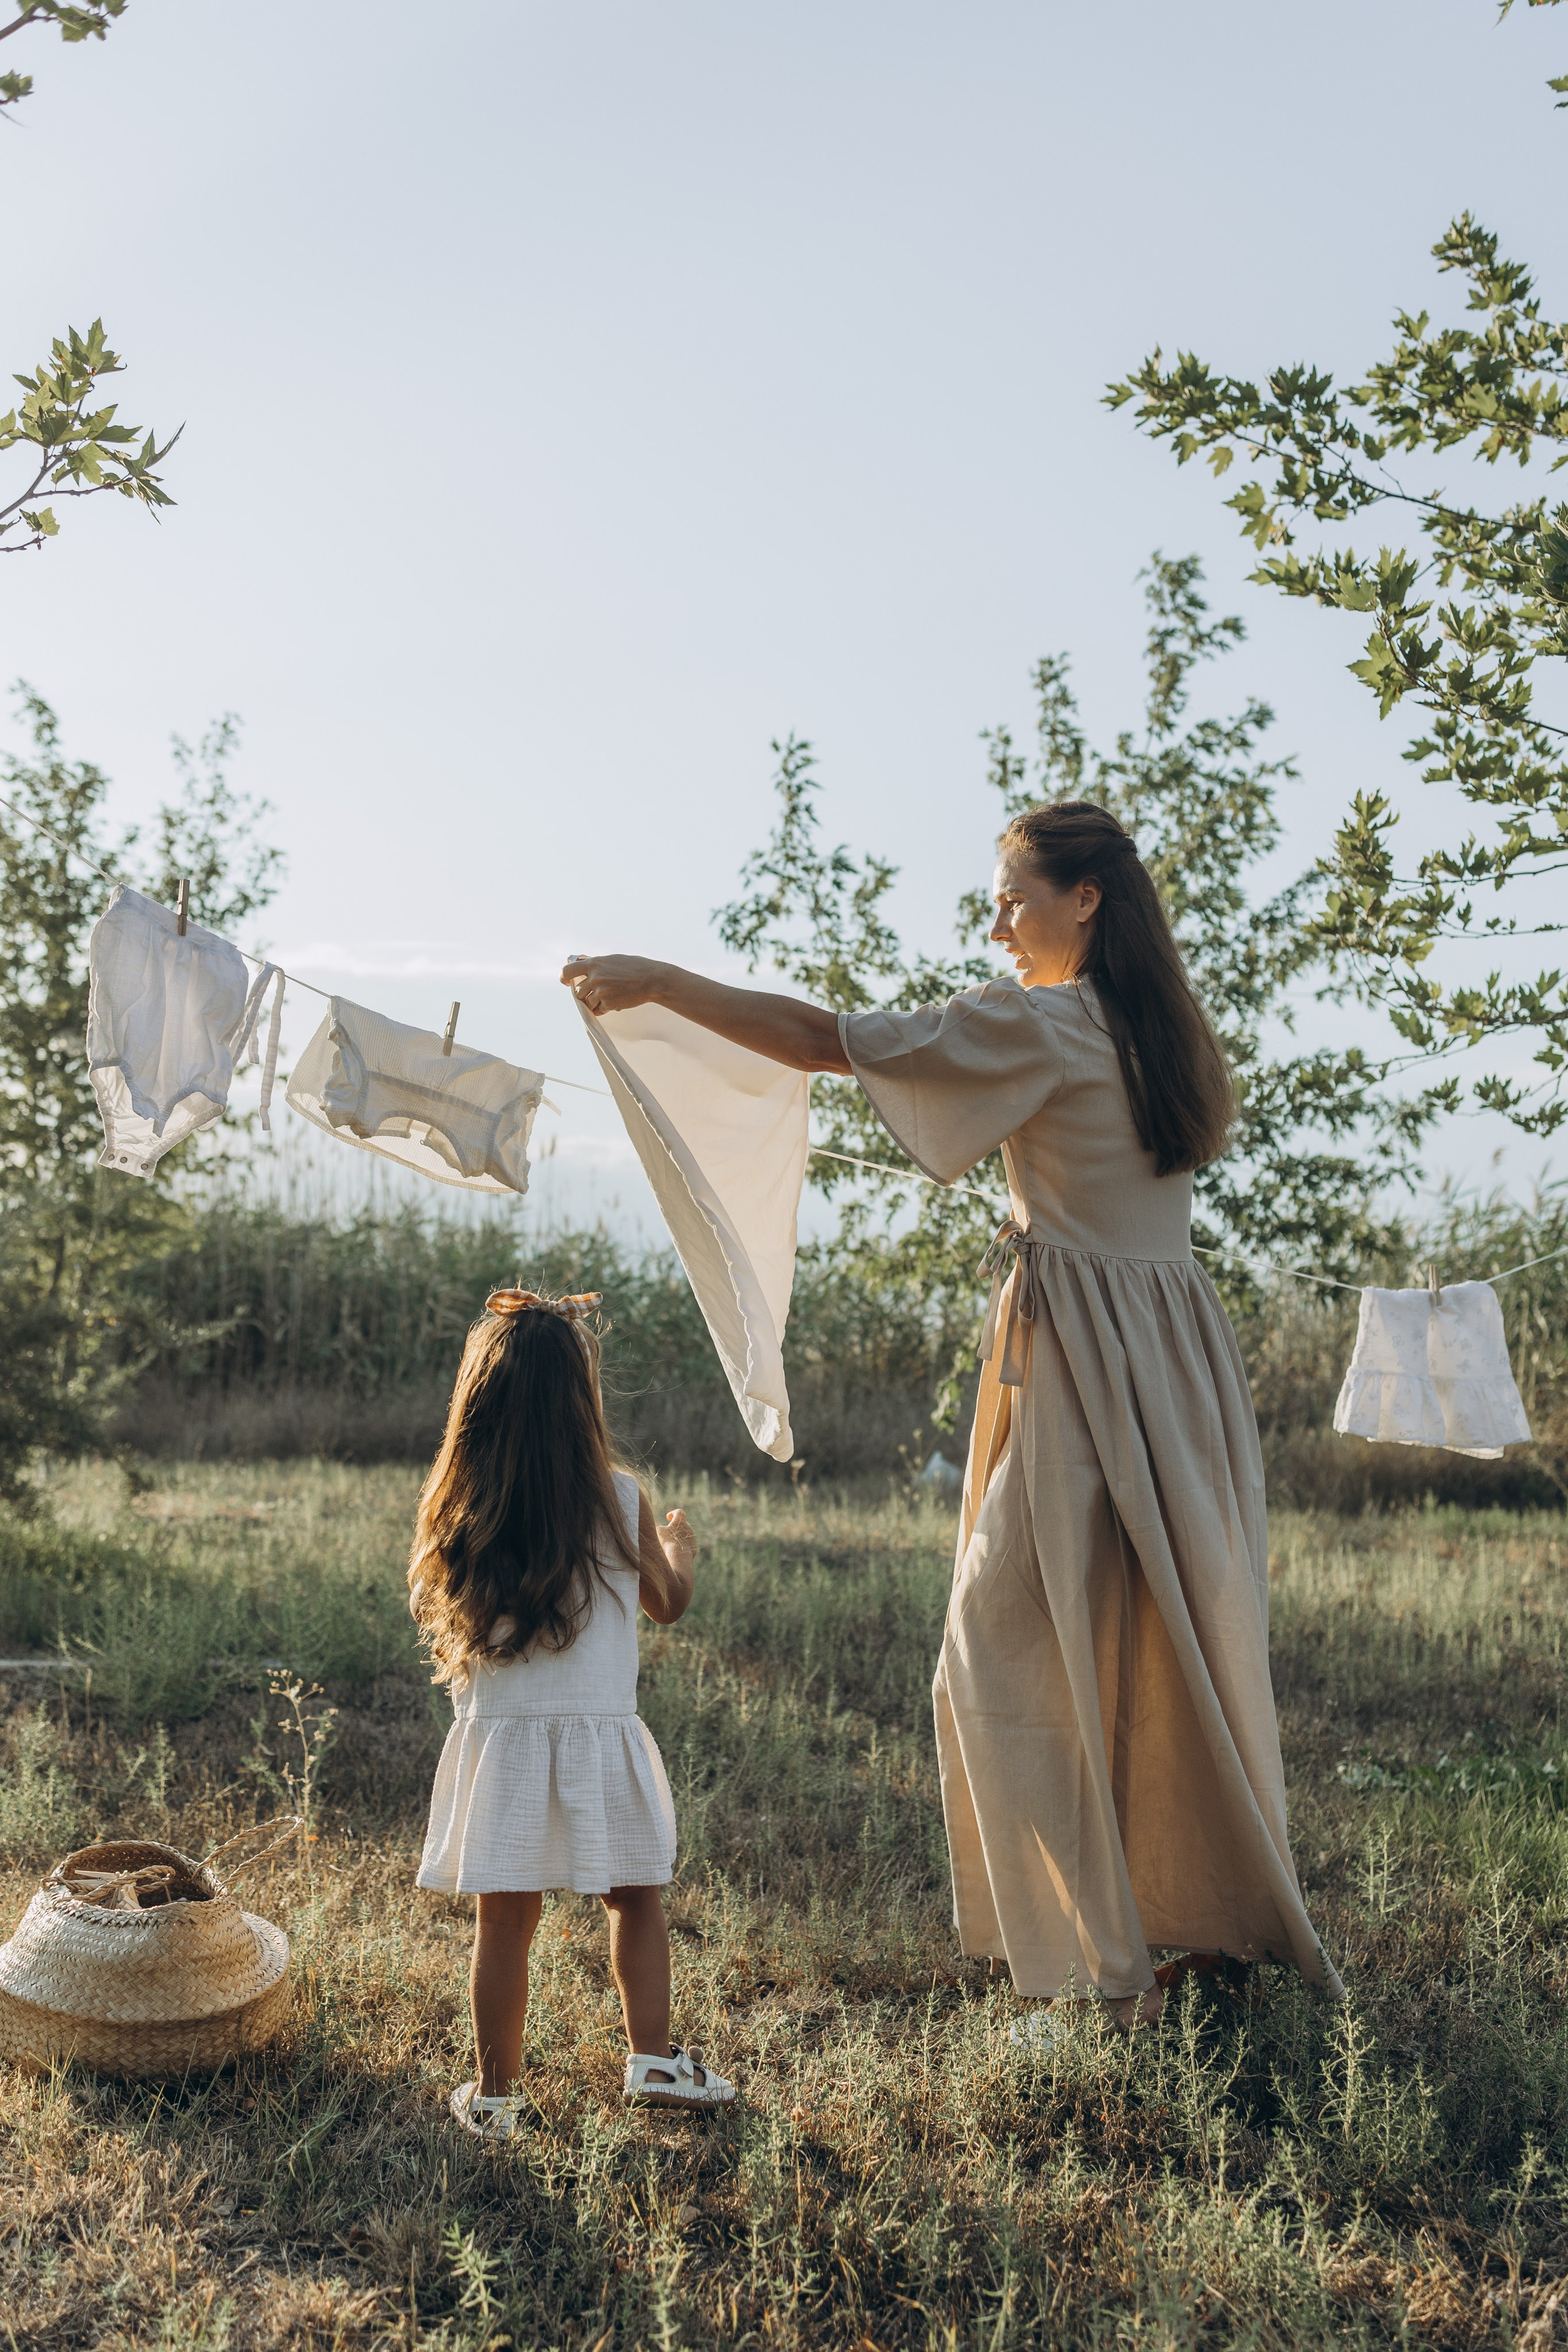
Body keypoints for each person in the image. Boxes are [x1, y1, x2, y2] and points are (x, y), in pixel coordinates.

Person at [561, 799, 1342, 2032]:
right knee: (1170, 1642)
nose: (996, 921)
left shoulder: (1045, 1022)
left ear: (1082, 900)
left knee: (997, 1648)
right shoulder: (1160, 1031)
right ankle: (1179, 1930)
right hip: (1178, 1361)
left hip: (1091, 1367)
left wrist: (663, 982)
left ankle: (1106, 1960)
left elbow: (826, 1039)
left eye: (1012, 897)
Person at [411, 1286, 735, 2138]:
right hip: (599, 1742)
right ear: (582, 1404)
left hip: (507, 1752)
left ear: (478, 1406)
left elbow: (438, 1601)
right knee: (636, 1900)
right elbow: (667, 1602)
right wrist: (680, 1551)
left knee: (504, 1925)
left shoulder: (460, 1508)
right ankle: (653, 2057)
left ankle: (494, 2097)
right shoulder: (620, 1498)